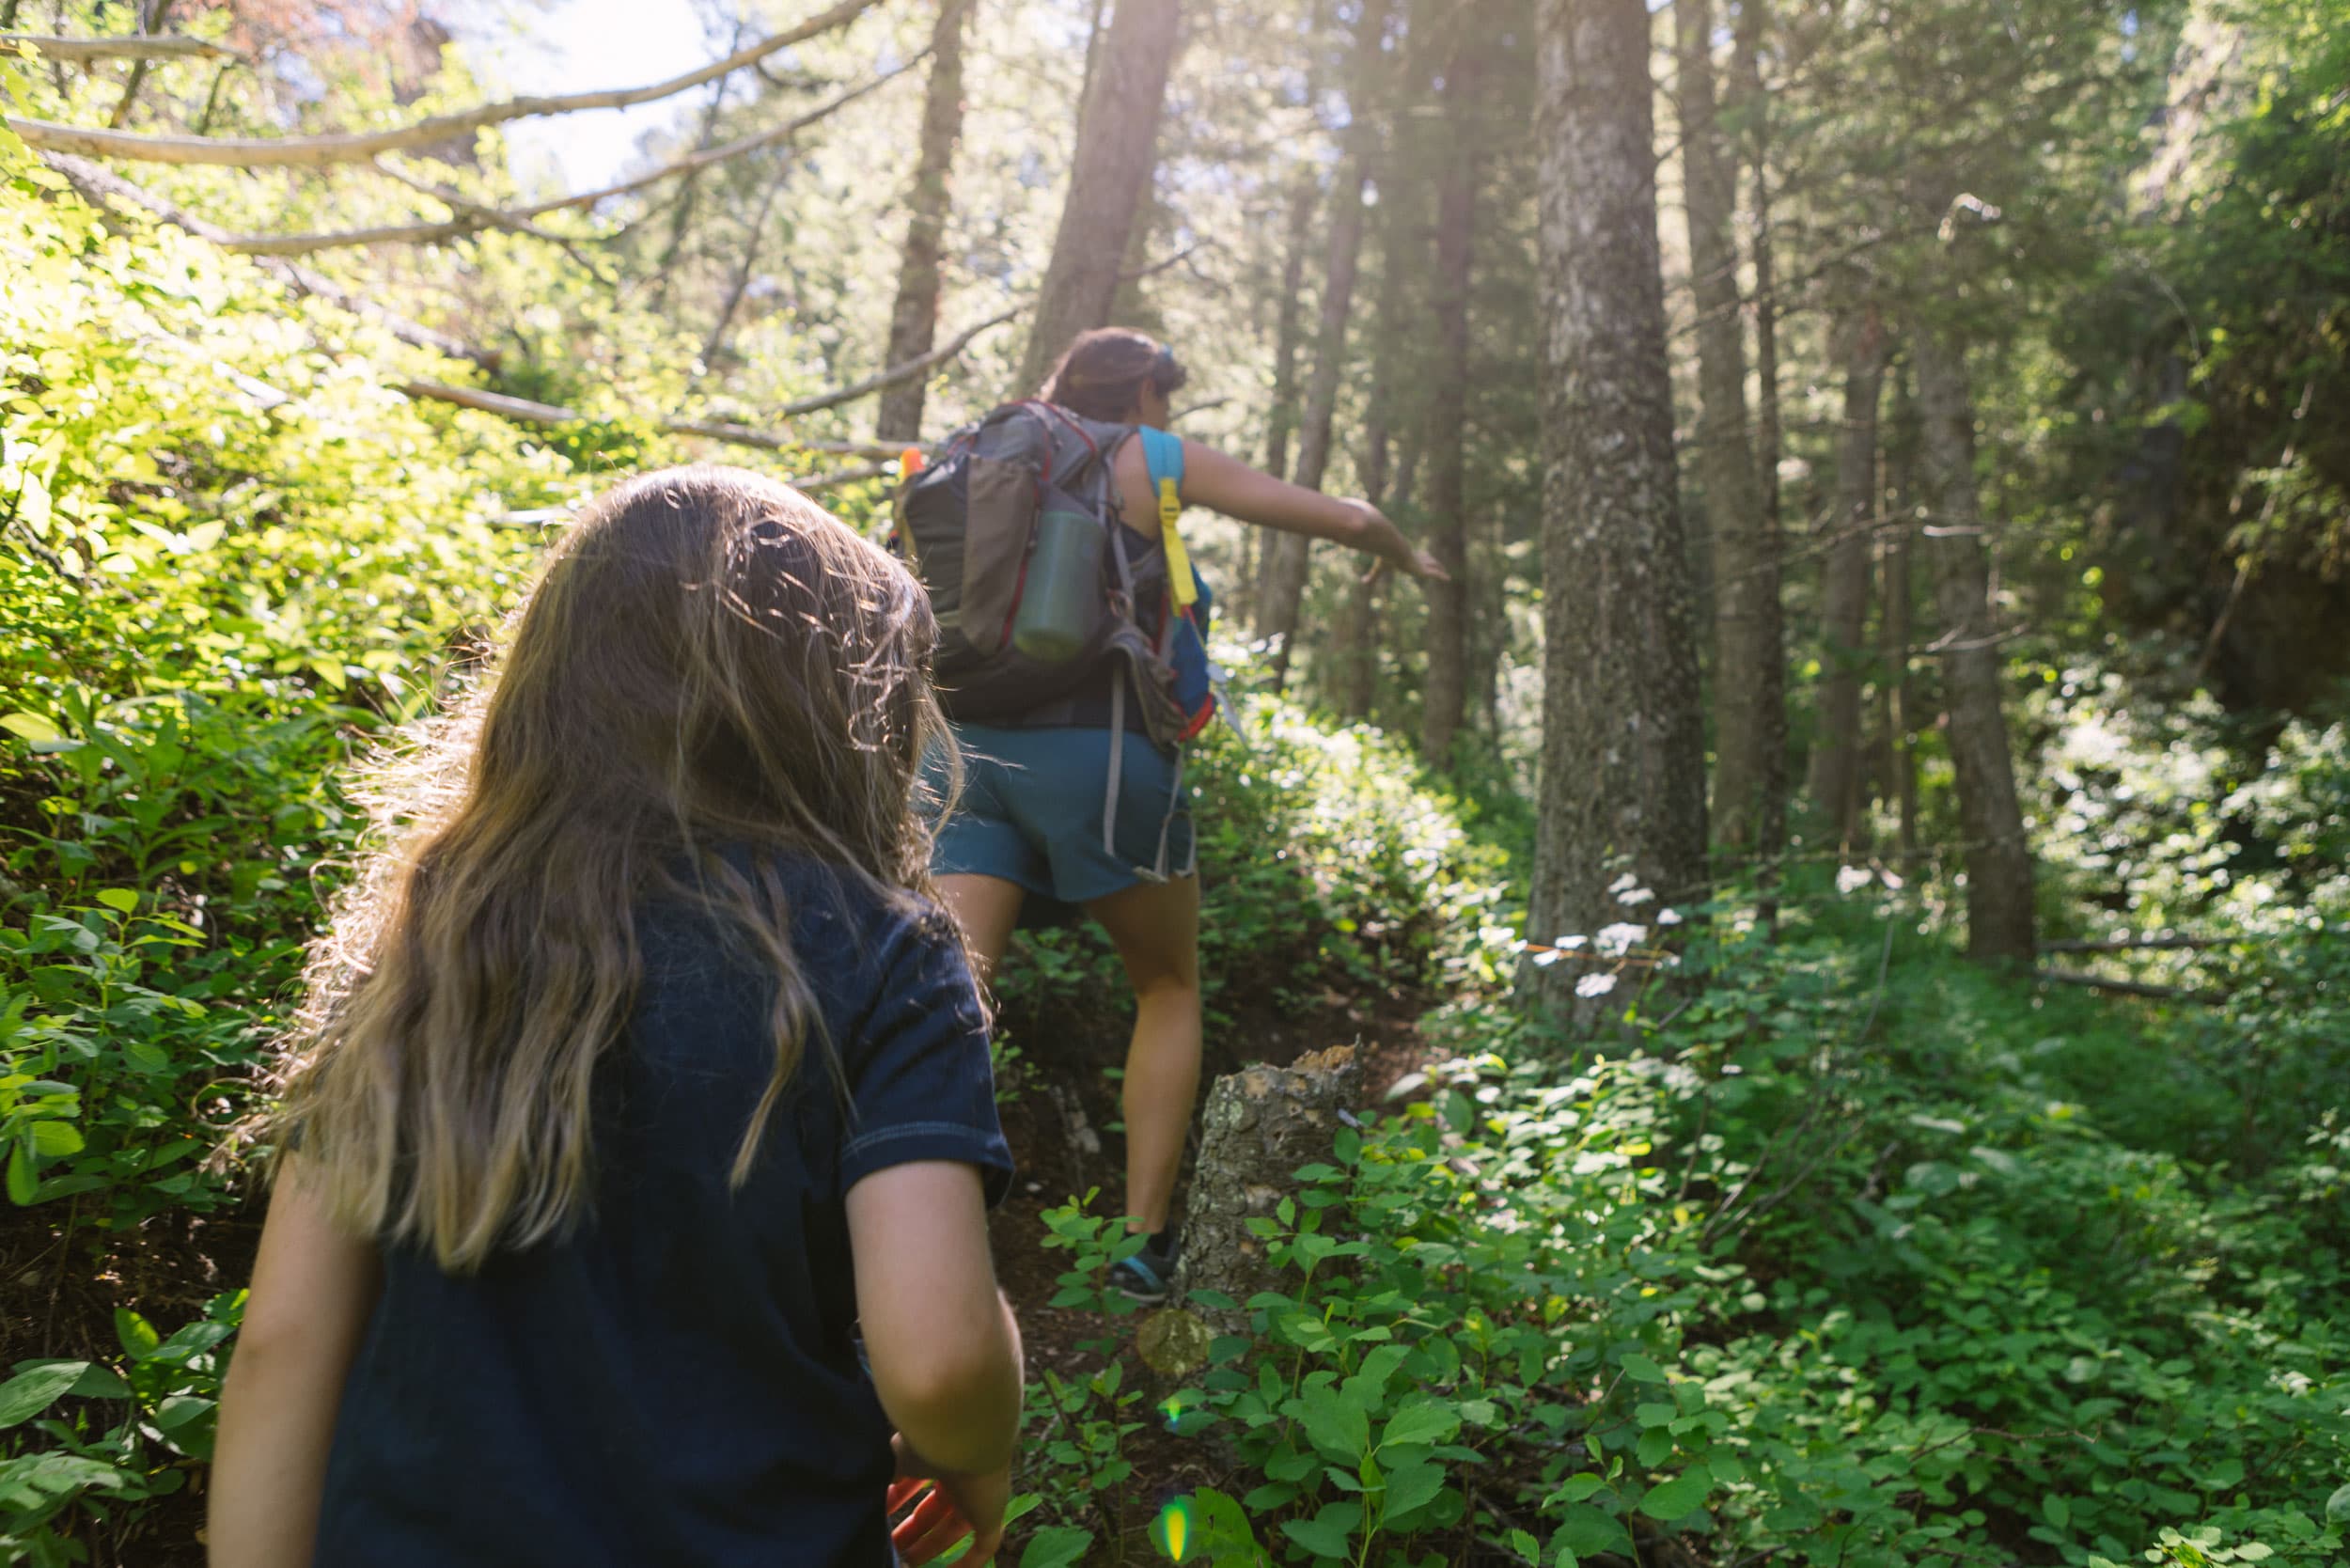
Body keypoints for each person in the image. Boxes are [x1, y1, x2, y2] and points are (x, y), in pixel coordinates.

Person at [208, 466, 1024, 1568]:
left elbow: (284, 1348)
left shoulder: (434, 931)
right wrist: (980, 1450)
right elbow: (937, 1366)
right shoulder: (885, 954)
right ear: (848, 711)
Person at [930, 327, 1445, 1302]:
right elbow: (1343, 515)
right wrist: (1397, 550)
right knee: (1166, 984)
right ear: (1147, 391)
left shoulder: (979, 448)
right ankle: (1140, 1245)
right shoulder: (1145, 455)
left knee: (953, 1007)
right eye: (1167, 396)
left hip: (954, 754)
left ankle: (909, 1241)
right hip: (1103, 751)